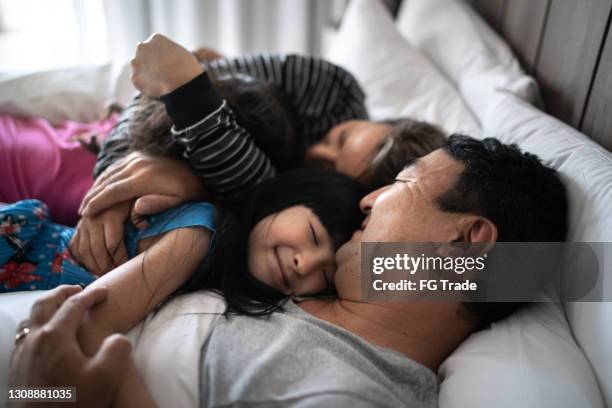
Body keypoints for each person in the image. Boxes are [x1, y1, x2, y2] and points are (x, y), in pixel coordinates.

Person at [10, 135, 569, 407]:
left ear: (467, 247)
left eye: (401, 184)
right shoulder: (289, 289)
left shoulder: (349, 394)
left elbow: (55, 387)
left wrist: (50, 398)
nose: (370, 200)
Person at [71, 34, 446, 277]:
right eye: (342, 136)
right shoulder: (333, 89)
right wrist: (108, 187)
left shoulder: (330, 211)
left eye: (326, 166)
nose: (316, 150)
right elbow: (167, 86)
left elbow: (257, 198)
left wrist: (190, 177)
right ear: (383, 120)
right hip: (145, 136)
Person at [0, 168, 366, 309]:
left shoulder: (223, 278)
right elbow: (102, 313)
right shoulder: (200, 233)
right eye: (312, 235)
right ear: (283, 200)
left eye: (326, 275)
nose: (306, 264)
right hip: (21, 247)